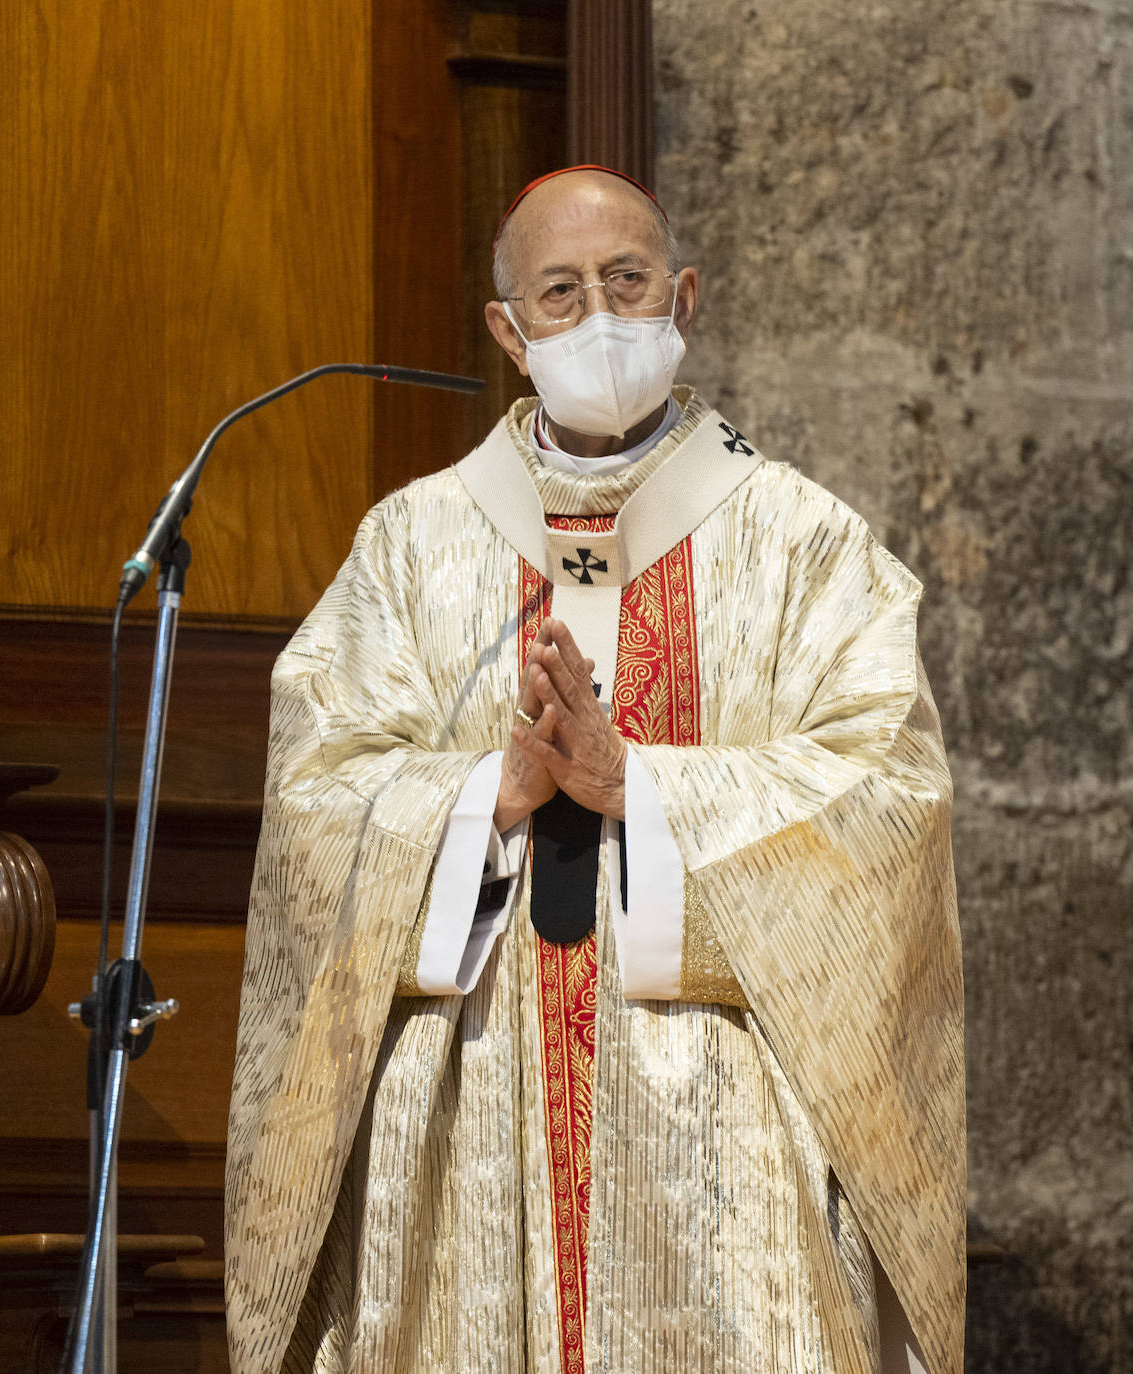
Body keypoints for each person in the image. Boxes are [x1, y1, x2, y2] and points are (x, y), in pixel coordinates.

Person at [224, 166, 966, 1374]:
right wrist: (488, 798)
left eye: (627, 282)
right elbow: (317, 794)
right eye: (560, 295)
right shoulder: (415, 543)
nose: (602, 317)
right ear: (509, 335)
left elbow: (888, 790)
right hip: (473, 1113)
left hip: (719, 1131)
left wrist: (646, 790)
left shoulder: (802, 540)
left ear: (685, 297)